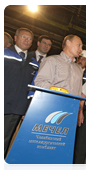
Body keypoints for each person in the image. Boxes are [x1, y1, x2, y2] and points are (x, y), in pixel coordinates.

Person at [4, 27, 38, 159]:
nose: (27, 41)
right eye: (24, 37)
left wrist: (27, 107)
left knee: (5, 140)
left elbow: (33, 87)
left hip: (17, 109)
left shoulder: (34, 63)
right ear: (15, 38)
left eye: (30, 39)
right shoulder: (5, 54)